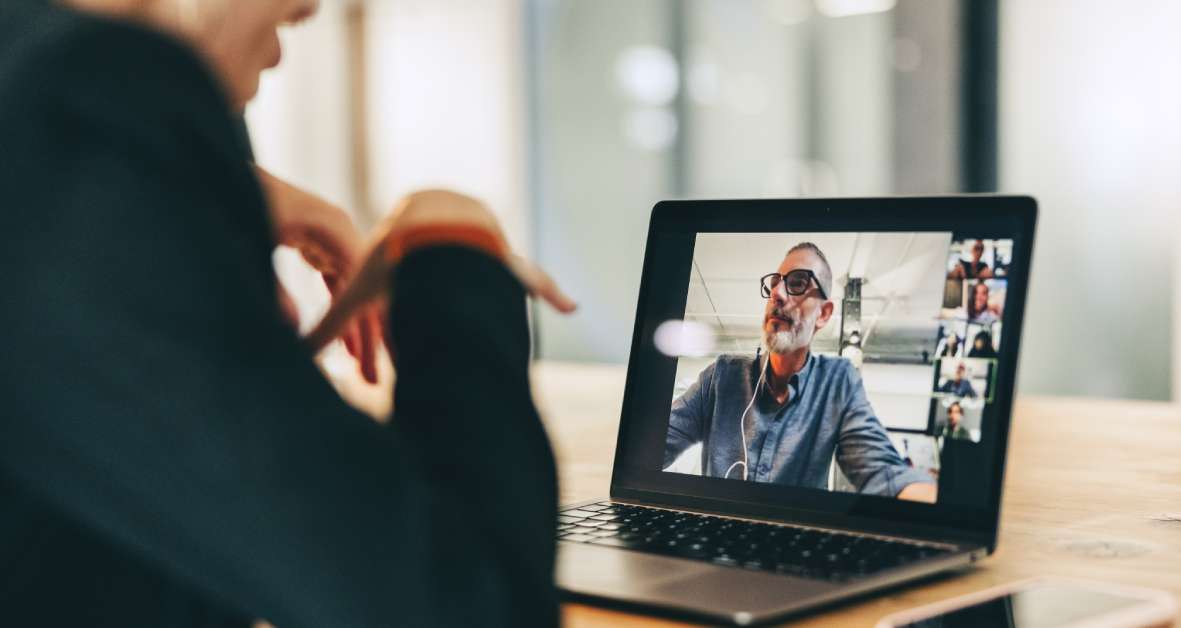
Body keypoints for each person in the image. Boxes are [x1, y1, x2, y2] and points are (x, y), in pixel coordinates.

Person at [0, 1, 575, 626]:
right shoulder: (90, 94)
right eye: (290, 18)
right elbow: (469, 607)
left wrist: (203, 197)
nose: (302, 19)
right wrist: (453, 247)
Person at [662, 243, 936, 502]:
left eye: (797, 283)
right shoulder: (722, 377)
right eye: (774, 285)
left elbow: (884, 473)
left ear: (824, 314)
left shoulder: (837, 384)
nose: (777, 295)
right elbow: (656, 442)